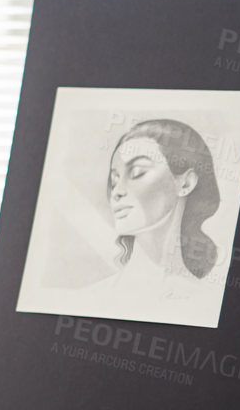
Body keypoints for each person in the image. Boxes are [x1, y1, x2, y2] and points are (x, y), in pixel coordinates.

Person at [92, 117, 228, 322]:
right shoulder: (92, 298)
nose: (117, 192)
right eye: (114, 179)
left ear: (186, 184)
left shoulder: (208, 305)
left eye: (137, 172)